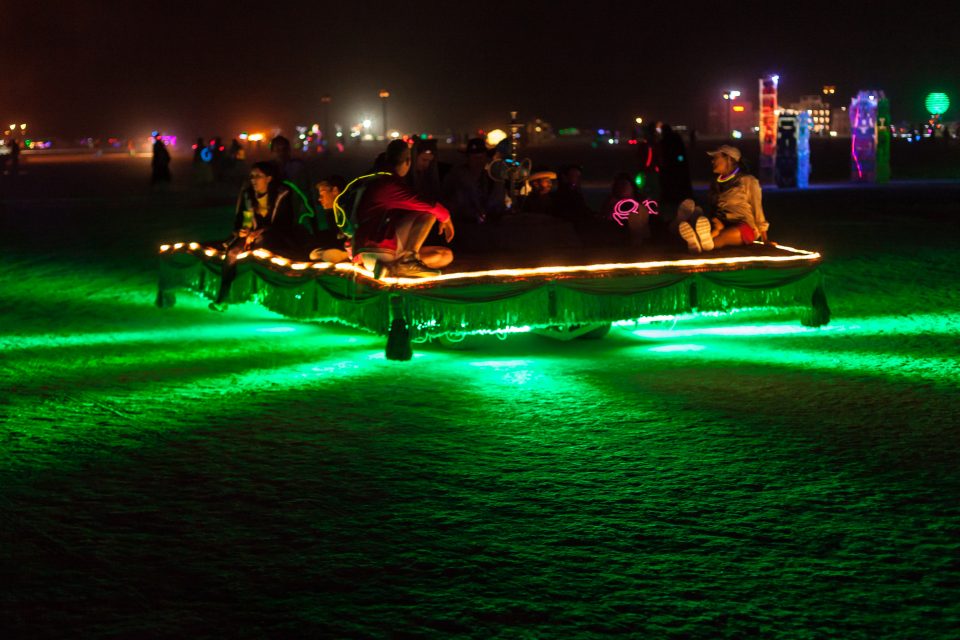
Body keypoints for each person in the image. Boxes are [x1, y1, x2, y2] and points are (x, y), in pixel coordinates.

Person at [351, 139, 455, 277]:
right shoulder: (389, 185)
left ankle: (393, 268)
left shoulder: (374, 179)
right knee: (427, 213)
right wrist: (446, 218)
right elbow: (429, 205)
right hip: (380, 250)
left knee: (445, 255)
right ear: (408, 161)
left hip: (369, 256)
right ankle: (408, 261)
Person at [209, 161, 297, 310]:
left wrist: (262, 231)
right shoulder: (248, 195)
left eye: (258, 176)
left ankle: (267, 294)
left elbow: (285, 222)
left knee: (261, 247)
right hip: (251, 235)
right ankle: (223, 296)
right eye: (251, 176)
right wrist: (243, 229)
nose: (253, 180)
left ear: (269, 178)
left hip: (277, 236)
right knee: (232, 253)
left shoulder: (282, 194)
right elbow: (246, 218)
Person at [677, 145, 769, 254]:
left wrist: (765, 239)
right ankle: (694, 233)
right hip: (721, 225)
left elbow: (758, 209)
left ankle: (698, 242)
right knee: (700, 216)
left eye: (715, 158)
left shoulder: (748, 181)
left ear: (729, 159)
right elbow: (713, 209)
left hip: (745, 228)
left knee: (720, 238)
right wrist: (715, 221)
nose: (712, 161)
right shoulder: (715, 183)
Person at [308, 175, 350, 263]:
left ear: (335, 191)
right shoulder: (331, 213)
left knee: (328, 256)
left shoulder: (348, 212)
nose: (319, 199)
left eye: (322, 193)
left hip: (353, 254)